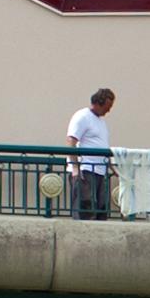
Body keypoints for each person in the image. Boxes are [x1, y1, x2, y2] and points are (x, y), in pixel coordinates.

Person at [65, 87, 116, 220]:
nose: (109, 110)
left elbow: (102, 146)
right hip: (86, 169)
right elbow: (71, 141)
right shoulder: (82, 116)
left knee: (101, 208)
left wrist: (112, 168)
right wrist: (75, 167)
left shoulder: (101, 122)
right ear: (99, 103)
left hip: (100, 170)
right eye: (107, 106)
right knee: (85, 208)